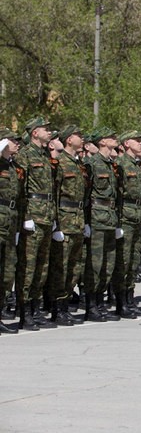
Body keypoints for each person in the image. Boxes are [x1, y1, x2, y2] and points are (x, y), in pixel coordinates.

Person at [16, 118, 59, 330]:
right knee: (29, 267)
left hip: (47, 215)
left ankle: (35, 308)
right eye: (45, 129)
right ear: (34, 133)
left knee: (42, 267)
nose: (49, 132)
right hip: (33, 214)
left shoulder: (44, 154)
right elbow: (20, 187)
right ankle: (25, 314)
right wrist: (25, 217)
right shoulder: (24, 155)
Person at [48, 125, 87, 326]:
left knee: (74, 266)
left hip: (78, 219)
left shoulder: (78, 163)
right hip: (64, 219)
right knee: (61, 266)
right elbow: (54, 194)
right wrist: (55, 224)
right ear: (69, 139)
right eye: (79, 135)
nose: (82, 137)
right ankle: (57, 309)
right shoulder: (60, 163)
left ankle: (65, 306)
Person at [84, 127, 123, 322]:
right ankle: (91, 305)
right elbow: (84, 194)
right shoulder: (91, 163)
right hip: (97, 218)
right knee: (95, 265)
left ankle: (100, 302)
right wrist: (85, 221)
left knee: (108, 264)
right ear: (102, 142)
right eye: (110, 137)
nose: (115, 139)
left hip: (110, 217)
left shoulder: (111, 164)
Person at [115, 130, 141, 318]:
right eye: (137, 141)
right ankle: (121, 302)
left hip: (137, 215)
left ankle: (130, 299)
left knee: (134, 260)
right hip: (125, 216)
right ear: (127, 143)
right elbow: (116, 194)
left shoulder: (139, 166)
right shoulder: (120, 164)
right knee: (124, 260)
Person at [0, 129, 21, 334]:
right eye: (13, 140)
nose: (17, 143)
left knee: (7, 272)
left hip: (11, 220)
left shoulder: (13, 166)